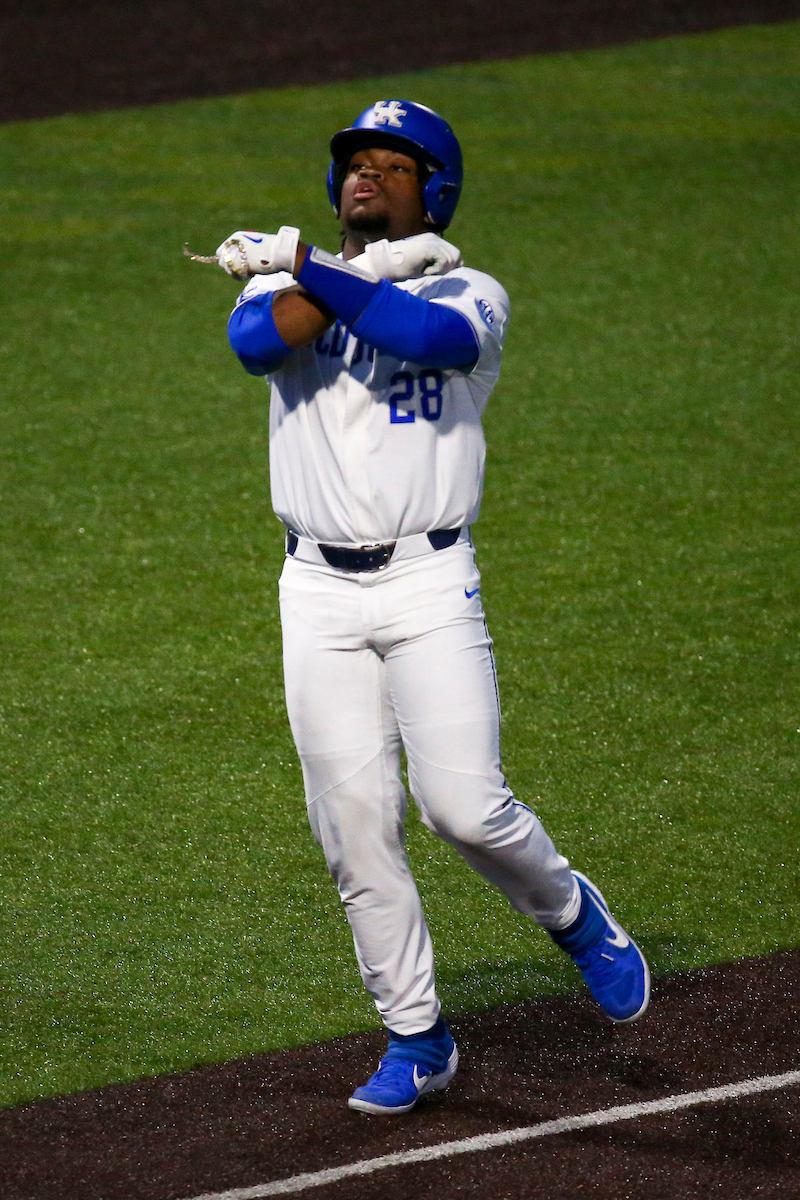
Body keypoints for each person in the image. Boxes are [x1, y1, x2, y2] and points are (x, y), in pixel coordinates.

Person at [212, 100, 649, 1116]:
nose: (368, 176)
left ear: (434, 190)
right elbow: (253, 346)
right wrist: (325, 266)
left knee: (463, 806)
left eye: (393, 166)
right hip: (315, 592)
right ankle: (415, 1035)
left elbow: (423, 335)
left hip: (427, 582)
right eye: (355, 164)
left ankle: (569, 912)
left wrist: (318, 264)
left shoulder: (472, 289)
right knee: (353, 826)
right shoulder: (292, 281)